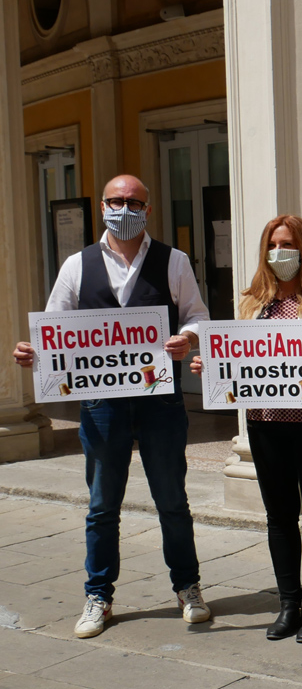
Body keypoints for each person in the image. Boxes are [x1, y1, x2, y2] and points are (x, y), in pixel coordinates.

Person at [12, 174, 211, 638]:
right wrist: (32, 354)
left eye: (134, 202)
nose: (125, 209)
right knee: (102, 505)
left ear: (147, 208)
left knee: (172, 501)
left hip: (159, 400)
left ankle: (188, 586)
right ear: (103, 206)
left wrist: (187, 337)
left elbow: (197, 314)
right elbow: (54, 330)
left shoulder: (173, 260)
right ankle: (98, 595)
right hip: (101, 402)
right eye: (117, 201)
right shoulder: (77, 265)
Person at [190, 216, 302, 643]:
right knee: (278, 516)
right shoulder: (250, 301)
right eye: (275, 245)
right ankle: (288, 604)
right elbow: (236, 358)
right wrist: (211, 366)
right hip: (264, 423)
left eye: (291, 244)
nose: (282, 253)